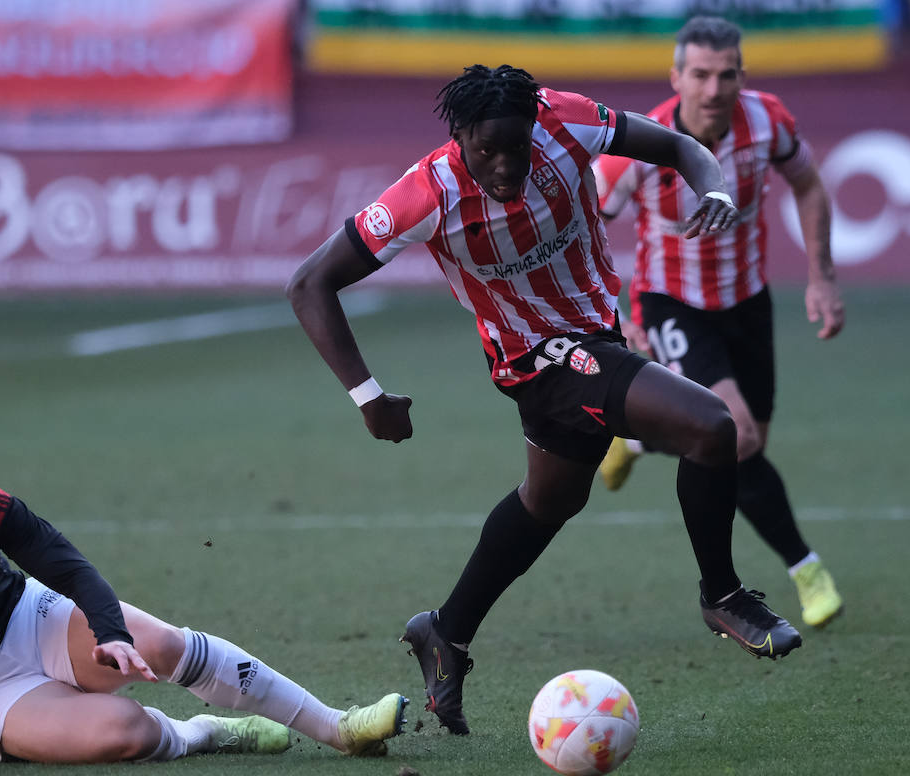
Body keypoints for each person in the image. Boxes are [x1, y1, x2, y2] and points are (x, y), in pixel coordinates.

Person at [287, 64, 801, 737]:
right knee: (710, 425)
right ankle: (723, 594)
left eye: (516, 148)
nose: (504, 165)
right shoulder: (428, 191)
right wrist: (367, 395)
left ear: (536, 129)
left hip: (596, 334)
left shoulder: (566, 120)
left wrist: (717, 190)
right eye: (485, 151)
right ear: (459, 137)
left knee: (551, 499)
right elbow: (310, 283)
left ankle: (445, 630)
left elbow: (680, 146)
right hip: (537, 360)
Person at [0, 426, 407, 776]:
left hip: (28, 616)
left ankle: (337, 727)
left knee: (161, 643)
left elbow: (65, 563)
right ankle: (202, 733)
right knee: (127, 734)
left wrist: (111, 632)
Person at [592, 16, 845, 631]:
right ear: (676, 77)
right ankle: (806, 569)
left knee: (750, 434)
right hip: (672, 302)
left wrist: (821, 275)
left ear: (741, 75)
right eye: (700, 75)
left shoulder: (767, 121)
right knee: (740, 436)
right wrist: (617, 313)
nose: (713, 88)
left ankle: (639, 439)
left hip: (748, 303)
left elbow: (810, 186)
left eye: (726, 74)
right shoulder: (643, 145)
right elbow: (586, 222)